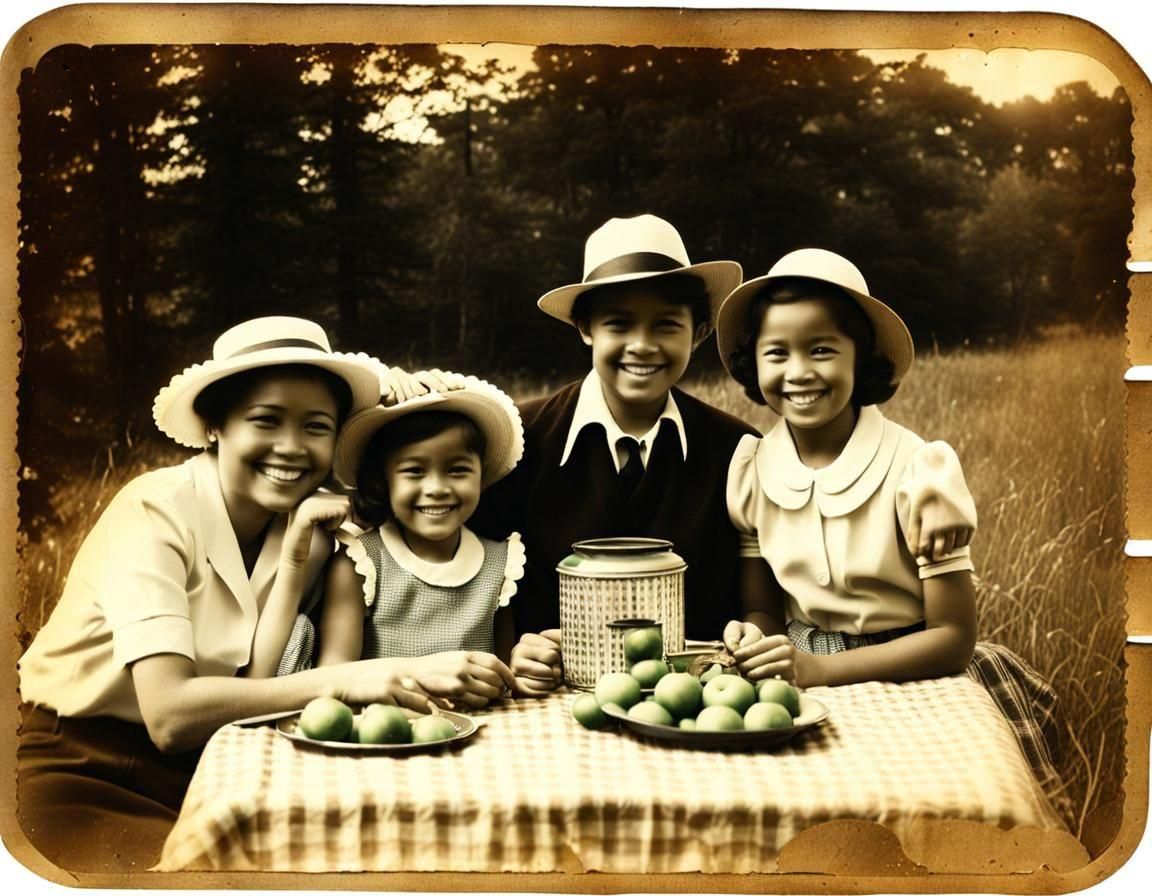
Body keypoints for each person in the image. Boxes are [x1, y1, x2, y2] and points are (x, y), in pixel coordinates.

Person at [15, 316, 514, 872]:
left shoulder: (306, 527)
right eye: (266, 420)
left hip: (217, 762)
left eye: (317, 426)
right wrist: (347, 680)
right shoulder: (155, 509)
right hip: (84, 765)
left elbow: (257, 687)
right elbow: (170, 715)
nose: (291, 447)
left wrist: (412, 398)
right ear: (212, 425)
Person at [716, 249, 1063, 806]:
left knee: (948, 801)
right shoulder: (752, 471)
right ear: (752, 363)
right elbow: (763, 607)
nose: (799, 371)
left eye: (822, 349)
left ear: (862, 358)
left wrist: (820, 670)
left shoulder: (916, 469)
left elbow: (953, 639)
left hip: (913, 666)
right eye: (776, 352)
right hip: (803, 666)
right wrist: (758, 639)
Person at [470, 214, 761, 694]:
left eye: (667, 325)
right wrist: (512, 651)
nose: (642, 345)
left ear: (699, 332)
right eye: (618, 324)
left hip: (697, 704)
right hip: (549, 704)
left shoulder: (737, 450)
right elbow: (479, 583)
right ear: (585, 328)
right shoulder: (517, 442)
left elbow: (758, 599)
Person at [294, 376, 526, 681]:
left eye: (458, 471)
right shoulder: (360, 561)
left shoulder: (501, 563)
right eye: (414, 471)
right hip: (384, 721)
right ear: (384, 480)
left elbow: (505, 674)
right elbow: (334, 673)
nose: (437, 488)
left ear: (480, 477)